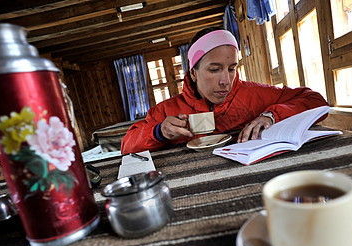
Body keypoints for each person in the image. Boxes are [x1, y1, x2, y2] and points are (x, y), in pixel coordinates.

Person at [121, 27, 328, 155]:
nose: (226, 81)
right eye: (214, 69)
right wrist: (159, 132)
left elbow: (317, 102)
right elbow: (126, 146)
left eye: (232, 69)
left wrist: (271, 116)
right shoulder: (168, 111)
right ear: (193, 73)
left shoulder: (253, 94)